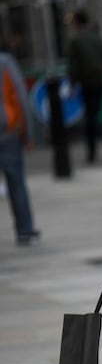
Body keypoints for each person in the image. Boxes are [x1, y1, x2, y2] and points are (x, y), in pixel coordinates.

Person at [66, 9, 102, 164]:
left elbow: (73, 65)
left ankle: (97, 149)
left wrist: (72, 83)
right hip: (100, 81)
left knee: (91, 117)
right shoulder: (97, 38)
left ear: (76, 23)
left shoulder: (76, 41)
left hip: (86, 83)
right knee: (98, 114)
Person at [0, 51, 40, 246]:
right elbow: (20, 97)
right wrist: (28, 135)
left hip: (7, 131)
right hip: (7, 132)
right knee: (16, 183)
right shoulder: (5, 62)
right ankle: (24, 230)